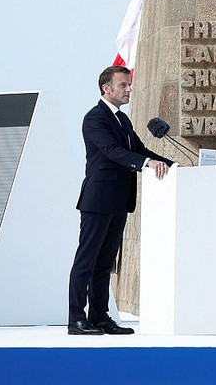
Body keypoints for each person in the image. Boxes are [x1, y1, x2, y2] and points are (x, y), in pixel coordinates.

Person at [68, 66, 175, 336]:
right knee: (86, 260)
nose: (129, 89)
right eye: (124, 85)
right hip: (97, 199)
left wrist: (172, 165)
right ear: (107, 88)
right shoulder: (94, 118)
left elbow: (139, 150)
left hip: (118, 201)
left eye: (129, 85)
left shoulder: (122, 120)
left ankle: (100, 317)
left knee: (105, 263)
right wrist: (145, 163)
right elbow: (112, 151)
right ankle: (76, 319)